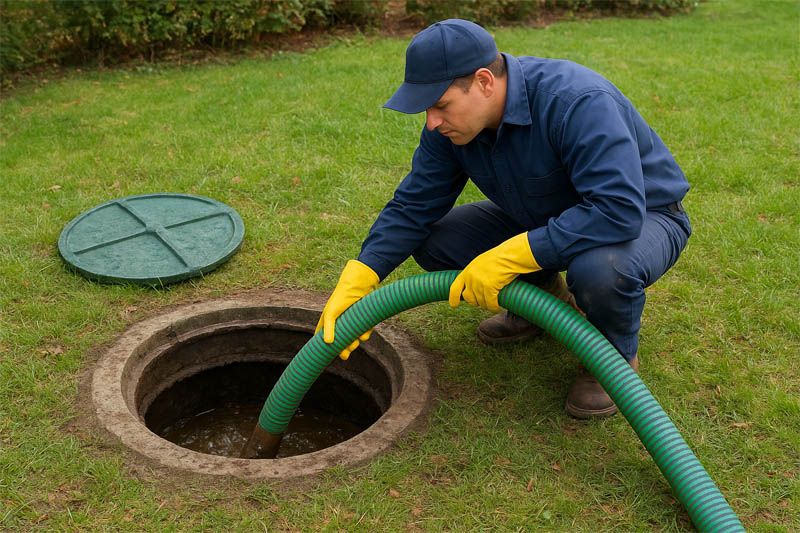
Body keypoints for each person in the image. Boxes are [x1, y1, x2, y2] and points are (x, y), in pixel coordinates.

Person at [315, 19, 691, 418]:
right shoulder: (451, 129)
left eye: (441, 105)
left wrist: (510, 256)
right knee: (434, 239)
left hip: (645, 216)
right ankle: (544, 300)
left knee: (600, 270)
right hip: (546, 216)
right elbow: (414, 205)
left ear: (484, 82)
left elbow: (617, 210)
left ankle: (613, 361)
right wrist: (361, 274)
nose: (431, 121)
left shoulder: (576, 101)